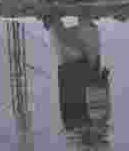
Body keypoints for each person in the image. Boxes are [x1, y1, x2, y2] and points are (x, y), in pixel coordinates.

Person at [43, 12, 112, 149]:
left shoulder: (82, 128)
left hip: (75, 71)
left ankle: (53, 14)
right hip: (81, 70)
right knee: (83, 26)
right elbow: (100, 102)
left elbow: (99, 102)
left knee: (62, 27)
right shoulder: (98, 126)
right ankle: (56, 14)